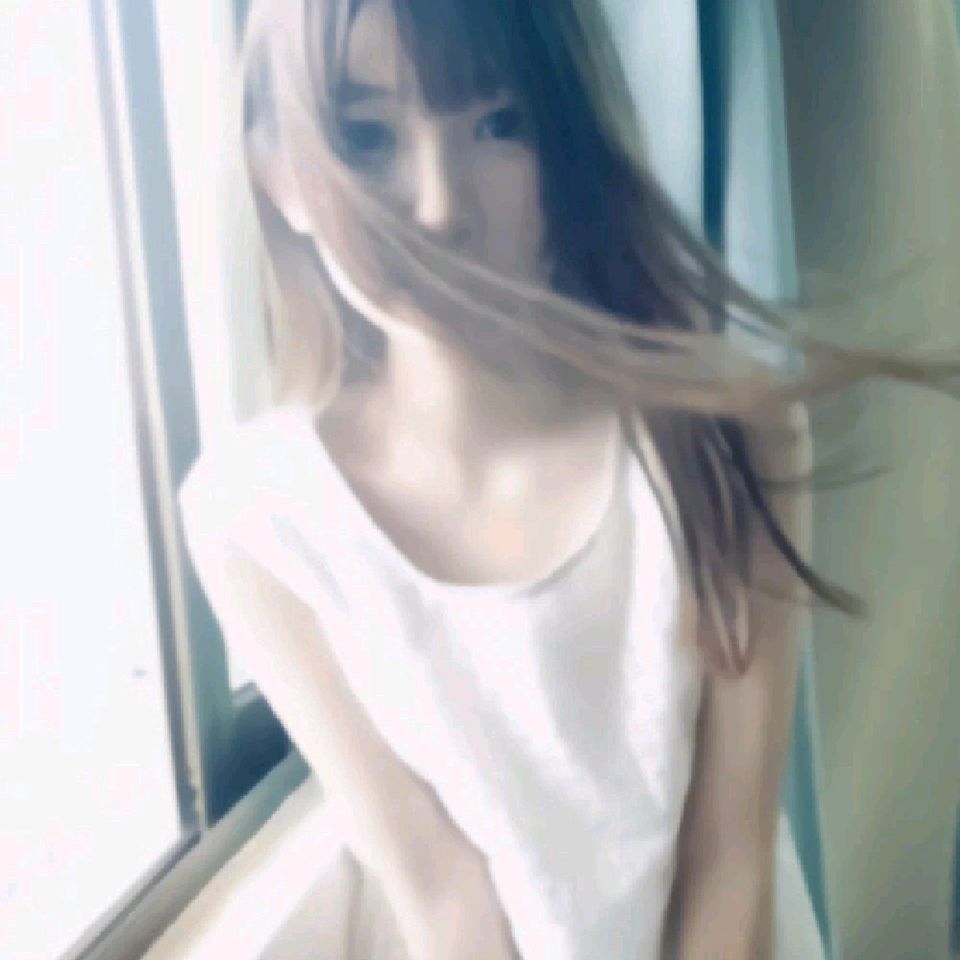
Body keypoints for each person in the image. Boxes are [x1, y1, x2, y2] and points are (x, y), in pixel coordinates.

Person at [177, 0, 960, 957]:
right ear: (277, 174)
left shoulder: (726, 434)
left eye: (499, 123)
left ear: (567, 148)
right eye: (367, 137)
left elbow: (730, 867)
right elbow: (442, 895)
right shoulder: (255, 519)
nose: (440, 206)